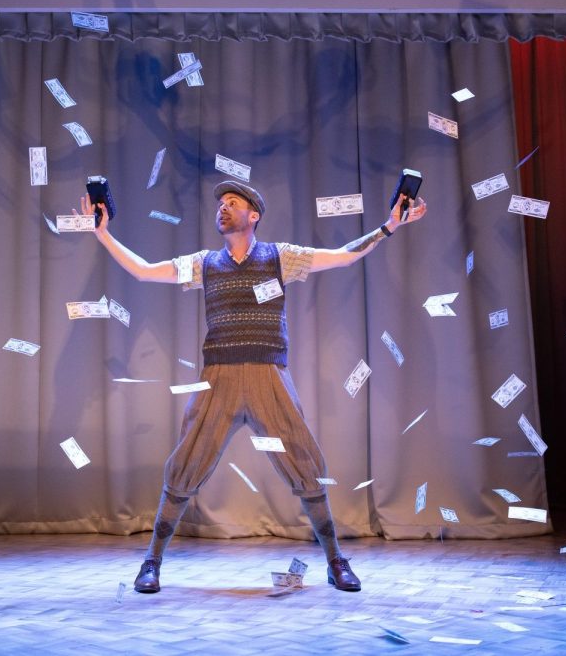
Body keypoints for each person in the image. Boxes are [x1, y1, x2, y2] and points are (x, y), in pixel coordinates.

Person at [77, 180, 427, 594]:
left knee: (304, 463)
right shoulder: (204, 262)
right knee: (185, 464)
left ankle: (335, 560)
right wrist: (102, 233)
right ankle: (151, 562)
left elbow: (342, 258)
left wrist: (388, 227)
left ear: (254, 214)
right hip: (218, 379)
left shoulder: (281, 257)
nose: (222, 209)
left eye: (232, 203)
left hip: (268, 376)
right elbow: (143, 271)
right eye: (220, 204)